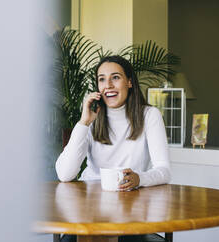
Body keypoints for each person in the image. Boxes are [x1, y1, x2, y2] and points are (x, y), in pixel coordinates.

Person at [56, 55, 171, 189]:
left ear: (129, 82)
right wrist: (84, 123)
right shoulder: (91, 116)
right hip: (91, 197)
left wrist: (140, 179)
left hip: (130, 198)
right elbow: (64, 174)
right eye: (102, 79)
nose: (108, 85)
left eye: (115, 77)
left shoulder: (149, 115)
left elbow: (165, 171)